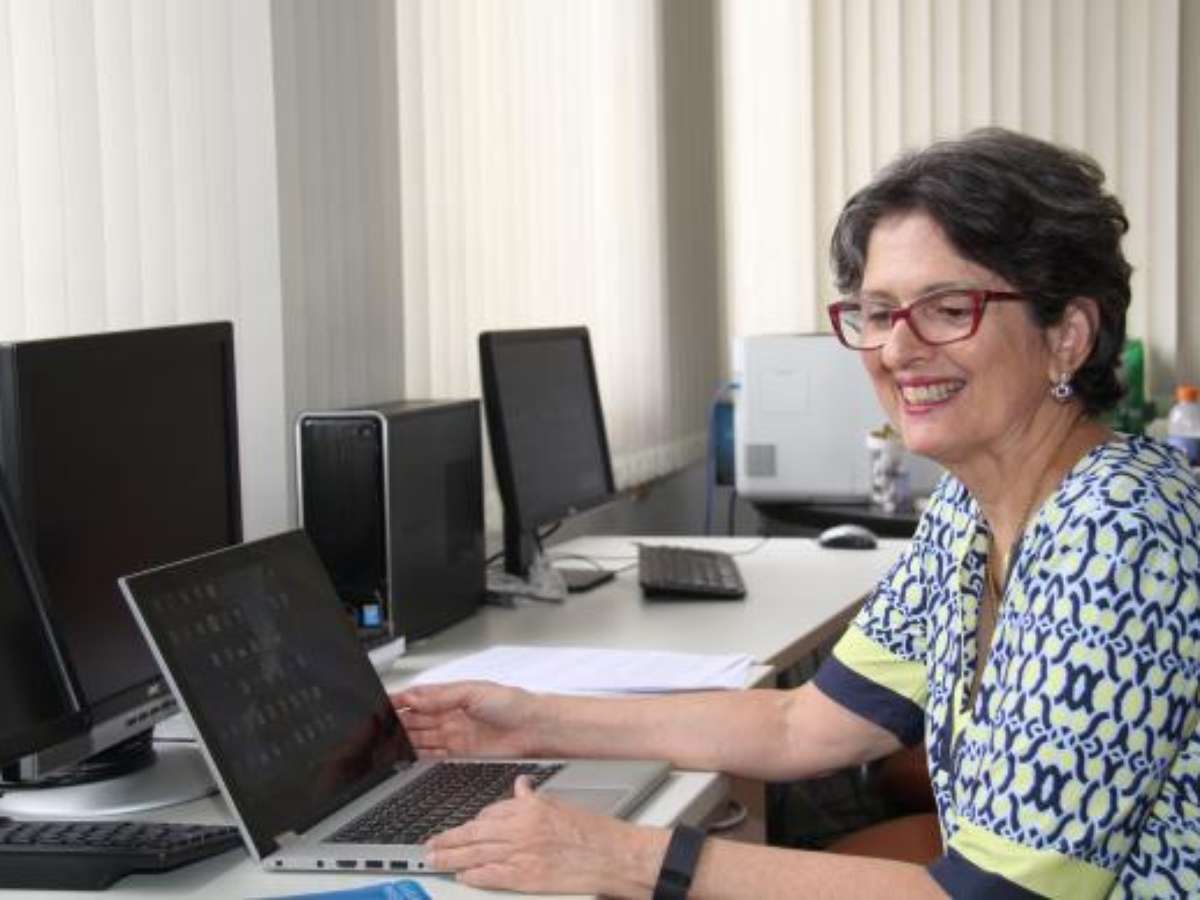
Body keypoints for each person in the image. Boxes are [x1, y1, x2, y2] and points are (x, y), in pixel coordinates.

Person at [391, 128, 1200, 899]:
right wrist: (530, 724)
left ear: (1067, 336)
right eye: (878, 312)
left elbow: (993, 896)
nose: (896, 349)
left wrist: (622, 856)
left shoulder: (1122, 534)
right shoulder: (969, 507)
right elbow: (804, 725)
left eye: (949, 308)